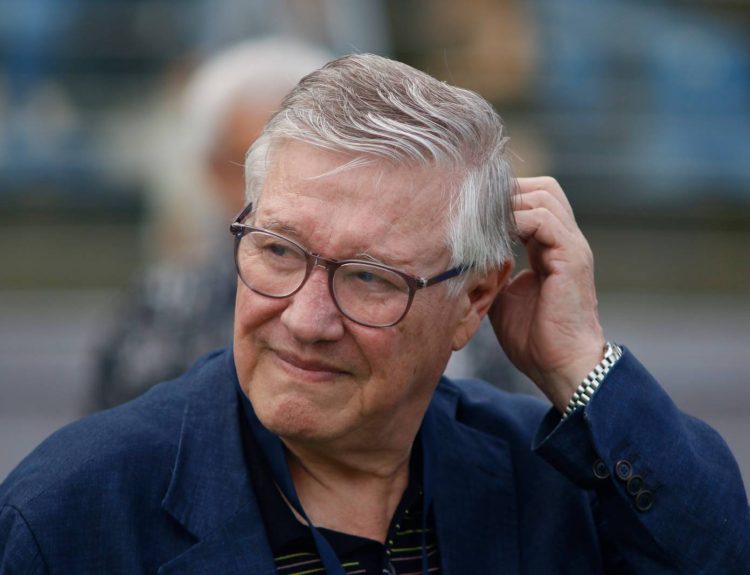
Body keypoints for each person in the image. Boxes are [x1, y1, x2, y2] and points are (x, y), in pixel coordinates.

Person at [2, 53, 748, 574]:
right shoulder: (72, 513)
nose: (306, 319)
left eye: (368, 278)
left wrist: (582, 364)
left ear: (474, 300)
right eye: (279, 251)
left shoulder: (556, 485)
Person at [93, 37, 331, 408]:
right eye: (248, 168)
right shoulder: (168, 308)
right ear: (212, 170)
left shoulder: (385, 295)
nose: (270, 194)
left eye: (306, 169)